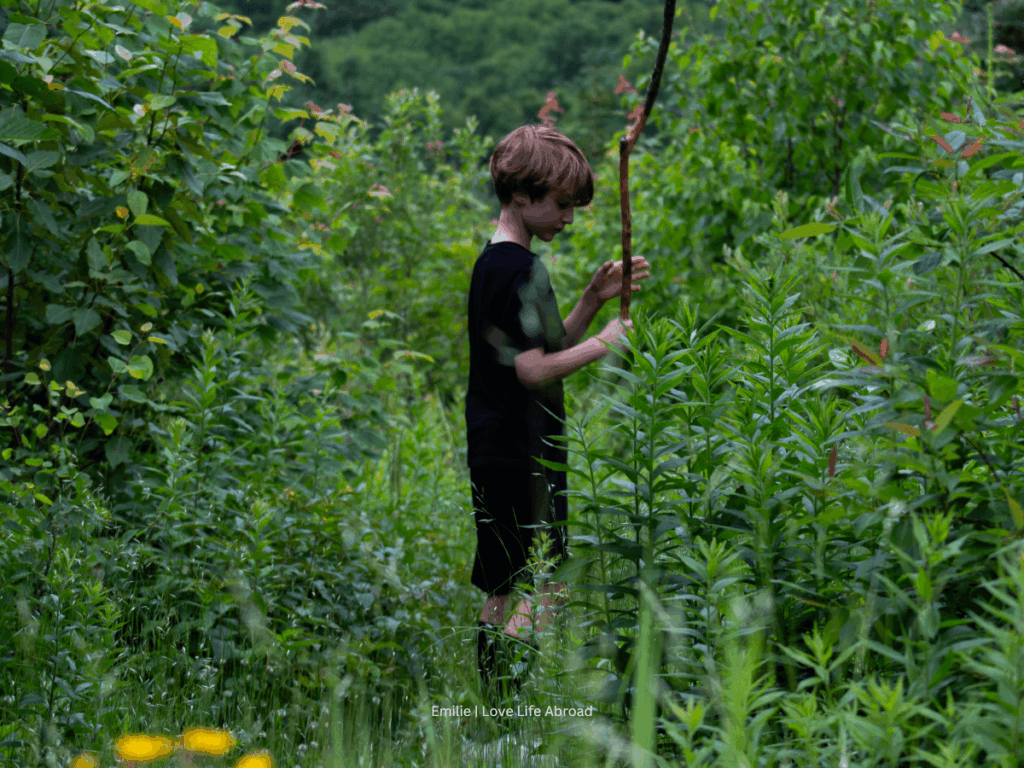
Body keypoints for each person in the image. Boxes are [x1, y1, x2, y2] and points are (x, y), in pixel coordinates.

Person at [464, 124, 651, 698]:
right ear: (521, 194)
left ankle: (492, 707)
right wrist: (609, 343)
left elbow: (543, 349)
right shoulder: (523, 271)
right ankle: (511, 704)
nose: (568, 219)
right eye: (562, 205)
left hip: (493, 446)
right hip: (527, 452)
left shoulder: (493, 264)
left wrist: (592, 303)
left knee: (503, 584)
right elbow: (533, 371)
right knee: (551, 582)